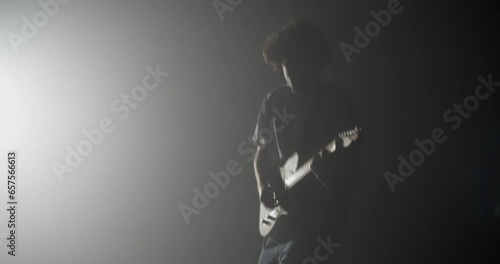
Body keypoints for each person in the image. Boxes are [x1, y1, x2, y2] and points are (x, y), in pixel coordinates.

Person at [252, 20, 363, 264]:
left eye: (297, 61)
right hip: (276, 232)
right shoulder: (273, 101)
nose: (290, 70)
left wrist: (325, 176)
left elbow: (352, 177)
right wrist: (264, 191)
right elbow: (262, 155)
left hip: (314, 230)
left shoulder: (338, 104)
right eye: (285, 63)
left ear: (314, 60)